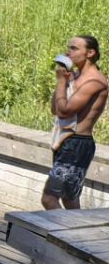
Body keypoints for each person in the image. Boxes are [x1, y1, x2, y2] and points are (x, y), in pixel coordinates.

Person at [43, 35, 107, 210]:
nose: (68, 52)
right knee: (69, 200)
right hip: (67, 141)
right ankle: (76, 235)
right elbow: (55, 109)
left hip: (77, 144)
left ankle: (65, 237)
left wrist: (62, 82)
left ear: (90, 52)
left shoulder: (95, 81)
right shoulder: (75, 77)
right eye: (68, 48)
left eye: (74, 48)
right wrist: (64, 82)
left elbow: (64, 110)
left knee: (49, 199)